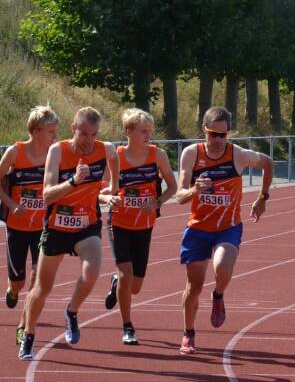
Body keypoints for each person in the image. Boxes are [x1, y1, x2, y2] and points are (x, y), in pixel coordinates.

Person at [18, 107, 120, 360]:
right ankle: (28, 335)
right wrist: (73, 180)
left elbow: (115, 160)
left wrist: (113, 190)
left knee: (92, 271)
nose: (88, 140)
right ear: (73, 128)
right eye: (84, 133)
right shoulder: (58, 151)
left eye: (93, 135)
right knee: (42, 288)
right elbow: (47, 194)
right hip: (56, 227)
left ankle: (72, 312)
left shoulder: (104, 149)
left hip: (87, 225)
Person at [175, 107, 274, 354]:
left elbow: (268, 163)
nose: (218, 140)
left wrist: (263, 197)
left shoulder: (237, 155)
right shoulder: (191, 154)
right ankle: (188, 333)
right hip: (198, 228)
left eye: (223, 135)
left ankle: (218, 295)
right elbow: (179, 197)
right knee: (194, 287)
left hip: (227, 228)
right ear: (203, 131)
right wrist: (195, 190)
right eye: (212, 134)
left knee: (223, 265)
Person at [102, 108, 177, 345]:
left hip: (145, 224)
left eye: (150, 131)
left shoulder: (158, 155)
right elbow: (98, 189)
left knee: (135, 287)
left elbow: (173, 187)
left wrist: (157, 202)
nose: (148, 135)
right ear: (129, 131)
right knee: (126, 275)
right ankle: (128, 326)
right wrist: (107, 198)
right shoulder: (116, 158)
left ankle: (116, 284)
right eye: (143, 131)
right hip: (119, 222)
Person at [0, 106, 60, 346]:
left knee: (37, 279)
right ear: (36, 131)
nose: (55, 136)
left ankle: (23, 325)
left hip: (44, 226)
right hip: (17, 225)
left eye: (56, 131)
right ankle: (12, 290)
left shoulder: (55, 154)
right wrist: (11, 204)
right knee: (19, 282)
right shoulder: (15, 152)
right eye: (51, 131)